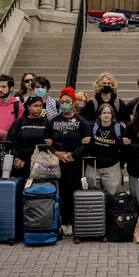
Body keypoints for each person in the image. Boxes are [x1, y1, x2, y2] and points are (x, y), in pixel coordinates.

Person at [45, 87, 92, 236]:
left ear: (73, 103)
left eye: (68, 101)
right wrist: (56, 153)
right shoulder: (53, 122)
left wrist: (74, 154)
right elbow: (47, 142)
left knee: (75, 193)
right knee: (62, 194)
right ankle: (63, 222)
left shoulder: (81, 121)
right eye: (62, 101)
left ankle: (74, 222)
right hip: (58, 163)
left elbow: (88, 142)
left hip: (75, 163)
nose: (65, 104)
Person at [85, 103, 130, 195]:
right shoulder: (92, 127)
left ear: (112, 115)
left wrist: (125, 143)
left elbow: (127, 145)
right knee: (94, 198)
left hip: (111, 168)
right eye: (104, 113)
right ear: (99, 115)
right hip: (93, 168)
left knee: (112, 197)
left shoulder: (118, 128)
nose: (106, 115)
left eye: (109, 113)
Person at [6, 96, 49, 179]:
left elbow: (50, 140)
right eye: (35, 106)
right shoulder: (20, 121)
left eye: (40, 106)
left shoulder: (46, 122)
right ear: (28, 106)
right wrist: (16, 158)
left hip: (40, 163)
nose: (38, 108)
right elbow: (11, 141)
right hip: (22, 162)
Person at [0, 74, 23, 150]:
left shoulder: (18, 105)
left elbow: (20, 128)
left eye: (3, 87)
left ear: (11, 88)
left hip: (10, 147)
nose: (0, 89)